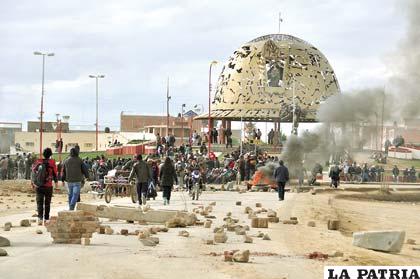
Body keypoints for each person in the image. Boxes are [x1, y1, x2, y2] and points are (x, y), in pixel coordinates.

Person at [32, 148, 58, 225]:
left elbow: (33, 172)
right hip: (48, 186)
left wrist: (33, 183)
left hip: (39, 186)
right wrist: (56, 185)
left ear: (43, 154)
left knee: (39, 203)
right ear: (50, 155)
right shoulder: (52, 162)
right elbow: (55, 175)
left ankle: (40, 218)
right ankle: (46, 219)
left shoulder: (38, 161)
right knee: (47, 203)